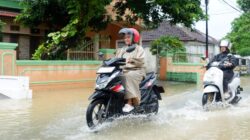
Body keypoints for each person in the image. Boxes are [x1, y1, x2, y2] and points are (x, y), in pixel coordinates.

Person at [116, 28, 146, 112]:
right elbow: (116, 59)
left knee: (128, 76)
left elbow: (141, 61)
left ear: (134, 38)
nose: (126, 39)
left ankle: (130, 103)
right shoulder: (122, 49)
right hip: (124, 70)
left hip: (137, 70)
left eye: (128, 37)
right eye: (125, 37)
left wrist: (131, 60)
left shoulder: (139, 49)